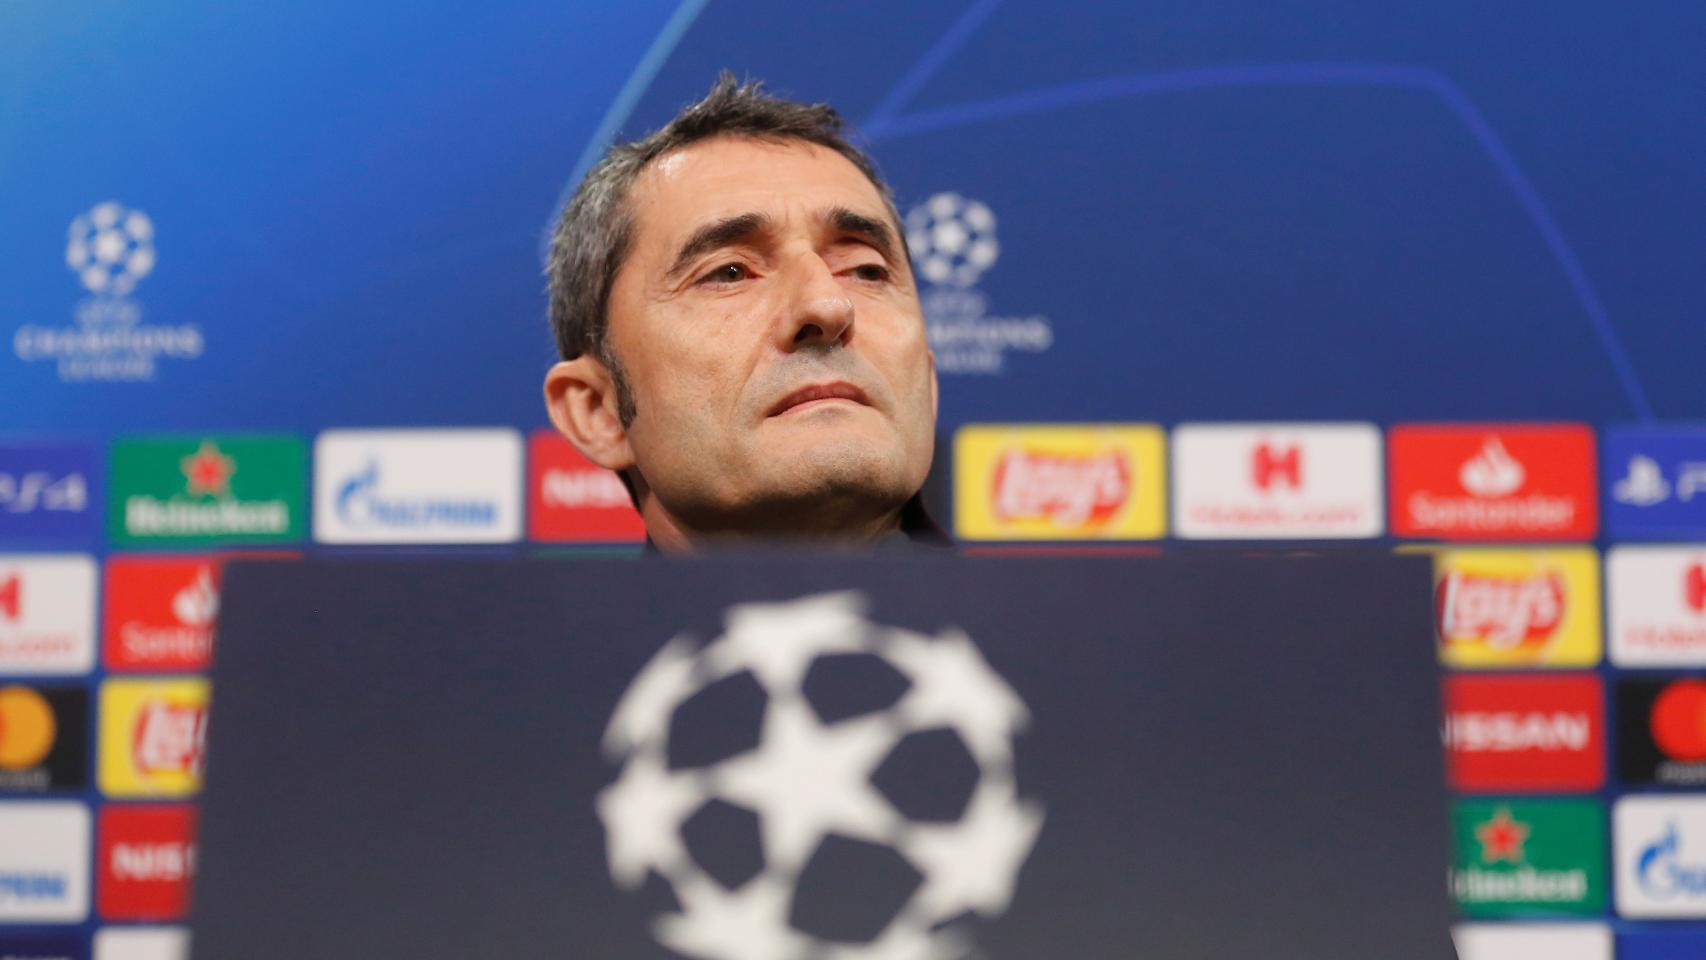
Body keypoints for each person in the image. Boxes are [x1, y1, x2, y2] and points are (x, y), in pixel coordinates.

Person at [543, 73, 948, 552]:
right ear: (599, 410)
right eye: (730, 272)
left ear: (927, 380)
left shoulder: (1036, 607)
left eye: (866, 270)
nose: (826, 305)